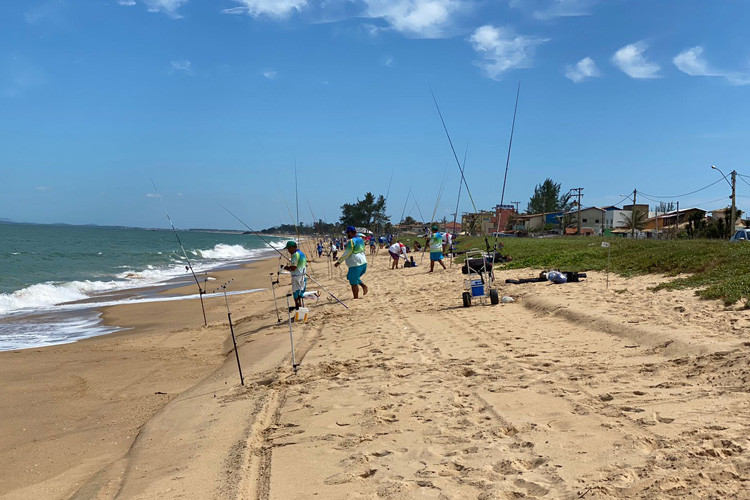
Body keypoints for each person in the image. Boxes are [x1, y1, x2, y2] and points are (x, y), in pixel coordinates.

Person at [334, 226, 368, 298]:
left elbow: (348, 252)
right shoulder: (361, 240)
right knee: (351, 278)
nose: (347, 235)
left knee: (353, 282)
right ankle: (363, 286)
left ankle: (356, 297)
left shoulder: (351, 241)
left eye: (347, 234)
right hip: (363, 262)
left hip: (355, 264)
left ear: (350, 233)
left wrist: (339, 262)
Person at [282, 241, 307, 308]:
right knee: (300, 293)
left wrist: (284, 267)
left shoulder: (295, 255)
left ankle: (298, 308)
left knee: (296, 294)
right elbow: (305, 265)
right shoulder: (302, 254)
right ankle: (300, 307)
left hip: (297, 277)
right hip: (303, 276)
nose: (288, 250)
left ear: (293, 247)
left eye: (289, 248)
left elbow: (293, 268)